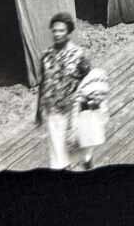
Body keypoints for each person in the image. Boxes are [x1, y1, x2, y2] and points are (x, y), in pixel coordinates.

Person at [35, 12, 92, 170]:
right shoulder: (46, 56)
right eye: (54, 31)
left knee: (79, 150)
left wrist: (87, 111)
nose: (57, 34)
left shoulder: (78, 55)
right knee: (57, 153)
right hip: (52, 109)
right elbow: (43, 82)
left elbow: (88, 82)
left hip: (73, 110)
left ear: (68, 32)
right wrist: (38, 110)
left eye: (61, 30)